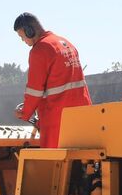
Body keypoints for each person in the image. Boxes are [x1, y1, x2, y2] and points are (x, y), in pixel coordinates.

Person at [12, 12, 91, 148]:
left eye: (21, 36)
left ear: (29, 31)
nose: (23, 41)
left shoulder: (40, 50)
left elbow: (35, 90)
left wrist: (25, 112)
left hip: (57, 118)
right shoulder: (67, 44)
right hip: (82, 114)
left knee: (54, 164)